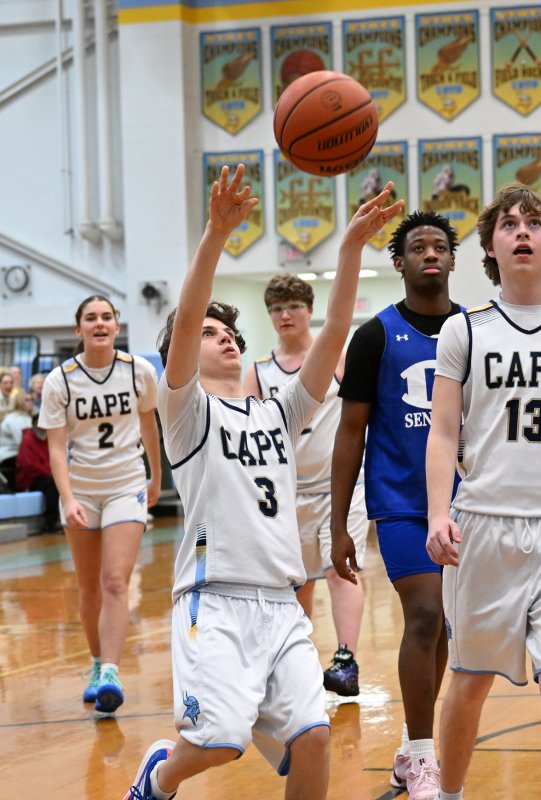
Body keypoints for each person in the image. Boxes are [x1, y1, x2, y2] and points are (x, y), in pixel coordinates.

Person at [121, 163, 403, 800]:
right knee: (219, 741)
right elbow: (187, 318)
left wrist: (352, 247)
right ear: (185, 354)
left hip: (280, 601)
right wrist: (216, 235)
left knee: (314, 737)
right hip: (213, 598)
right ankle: (158, 778)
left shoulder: (279, 411)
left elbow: (333, 334)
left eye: (230, 332)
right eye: (211, 334)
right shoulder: (185, 410)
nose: (224, 339)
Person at [426, 183, 541, 800]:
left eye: (534, 222)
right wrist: (436, 514)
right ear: (491, 247)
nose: (522, 231)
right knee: (469, 681)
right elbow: (444, 430)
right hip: (484, 525)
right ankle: (448, 794)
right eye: (509, 224)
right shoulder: (464, 332)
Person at [330, 209, 461, 800]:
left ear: (454, 261)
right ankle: (427, 759)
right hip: (401, 505)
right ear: (400, 262)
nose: (429, 253)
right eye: (418, 246)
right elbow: (350, 431)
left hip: (466, 505)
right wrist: (339, 524)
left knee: (443, 632)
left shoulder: (475, 329)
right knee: (426, 616)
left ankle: (412, 750)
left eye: (439, 245)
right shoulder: (376, 335)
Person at [243, 273, 368, 697]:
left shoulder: (335, 357)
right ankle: (300, 663)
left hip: (340, 484)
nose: (284, 316)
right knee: (298, 581)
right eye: (276, 309)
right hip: (285, 492)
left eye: (292, 306)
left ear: (310, 310)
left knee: (341, 570)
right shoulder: (258, 372)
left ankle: (346, 659)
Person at [38, 295, 162, 714]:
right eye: (91, 318)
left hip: (126, 484)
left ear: (116, 326)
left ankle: (111, 670)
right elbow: (56, 449)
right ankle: (95, 663)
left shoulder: (139, 371)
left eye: (107, 317)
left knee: (115, 581)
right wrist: (68, 498)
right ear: (79, 330)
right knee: (89, 586)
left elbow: (150, 427)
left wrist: (156, 477)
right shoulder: (61, 379)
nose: (99, 323)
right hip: (82, 489)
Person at [16, 413, 61, 532]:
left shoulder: (48, 439)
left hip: (46, 475)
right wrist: (52, 473)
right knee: (52, 484)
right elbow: (29, 466)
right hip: (30, 480)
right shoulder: (28, 439)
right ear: (34, 425)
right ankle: (50, 522)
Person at [0, 388, 34, 489]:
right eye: (27, 400)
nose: (31, 402)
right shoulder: (14, 418)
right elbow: (22, 443)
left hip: (18, 455)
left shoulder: (26, 417)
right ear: (19, 402)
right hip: (8, 456)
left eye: (31, 399)